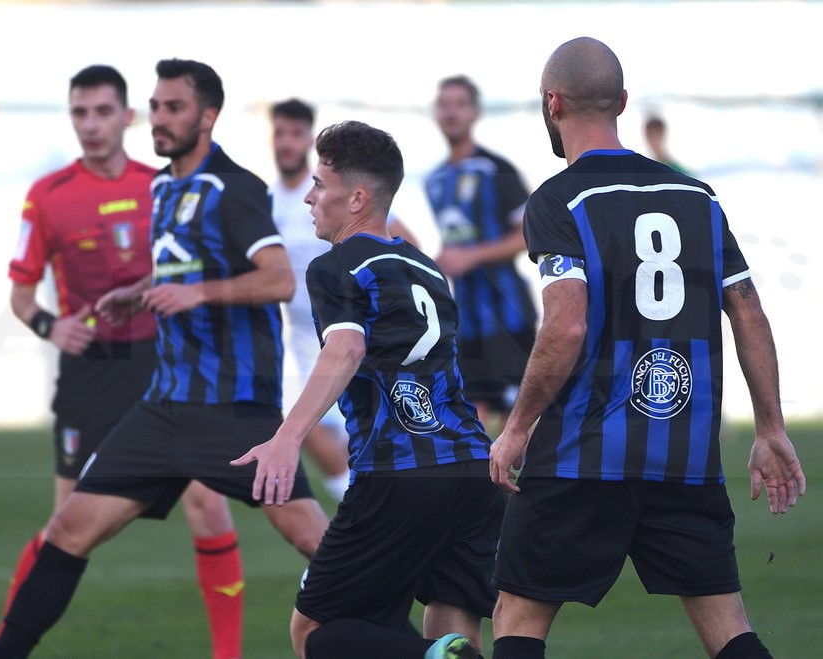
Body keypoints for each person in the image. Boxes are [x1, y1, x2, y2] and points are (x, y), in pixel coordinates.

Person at [0, 59, 330, 659]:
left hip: (232, 411)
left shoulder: (233, 187)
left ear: (208, 116)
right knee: (68, 529)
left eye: (174, 108)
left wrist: (198, 293)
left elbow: (276, 278)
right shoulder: (165, 186)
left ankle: (420, 638)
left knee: (314, 540)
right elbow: (187, 262)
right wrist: (141, 289)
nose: (159, 119)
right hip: (163, 410)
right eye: (156, 107)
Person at [487, 37, 807, 659]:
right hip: (683, 454)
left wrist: (518, 427)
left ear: (552, 103)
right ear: (623, 102)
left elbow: (565, 326)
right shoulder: (698, 197)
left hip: (582, 453)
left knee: (517, 617)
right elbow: (748, 311)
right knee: (728, 628)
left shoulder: (558, 199)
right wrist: (770, 427)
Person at [232, 120, 506, 659]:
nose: (309, 197)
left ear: (356, 198)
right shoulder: (428, 269)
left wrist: (287, 437)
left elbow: (346, 348)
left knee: (315, 632)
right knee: (450, 624)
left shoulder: (336, 265)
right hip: (470, 468)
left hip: (398, 472)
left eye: (319, 185)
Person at [425, 75, 538, 433]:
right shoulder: (434, 180)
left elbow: (529, 235)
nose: (451, 112)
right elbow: (454, 242)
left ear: (476, 113)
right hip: (464, 321)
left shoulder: (495, 169)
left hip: (507, 315)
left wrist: (472, 256)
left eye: (460, 104)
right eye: (444, 104)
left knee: (518, 424)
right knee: (470, 422)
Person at [268, 98, 353, 502]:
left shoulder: (325, 193)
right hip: (298, 342)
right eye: (279, 133)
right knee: (307, 427)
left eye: (295, 133)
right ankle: (359, 509)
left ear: (308, 140)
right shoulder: (265, 200)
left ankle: (364, 512)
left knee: (358, 436)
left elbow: (397, 237)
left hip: (346, 333)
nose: (286, 142)